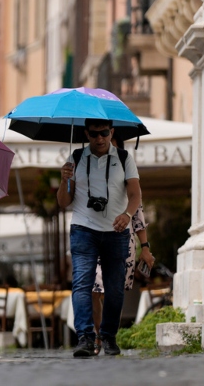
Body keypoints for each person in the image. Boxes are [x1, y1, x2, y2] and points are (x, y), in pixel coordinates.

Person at [57, 119, 142, 358]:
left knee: (114, 289)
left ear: (111, 132)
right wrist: (64, 180)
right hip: (83, 229)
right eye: (94, 134)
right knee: (82, 284)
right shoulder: (75, 158)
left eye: (104, 133)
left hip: (116, 232)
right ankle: (85, 337)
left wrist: (127, 214)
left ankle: (109, 337)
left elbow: (135, 195)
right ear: (86, 134)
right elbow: (63, 202)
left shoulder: (124, 158)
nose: (100, 138)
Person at [91, 137, 155, 355]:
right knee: (93, 290)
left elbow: (138, 216)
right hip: (95, 238)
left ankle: (108, 335)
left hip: (121, 241)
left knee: (113, 292)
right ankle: (99, 335)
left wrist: (145, 247)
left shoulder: (130, 181)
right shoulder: (93, 173)